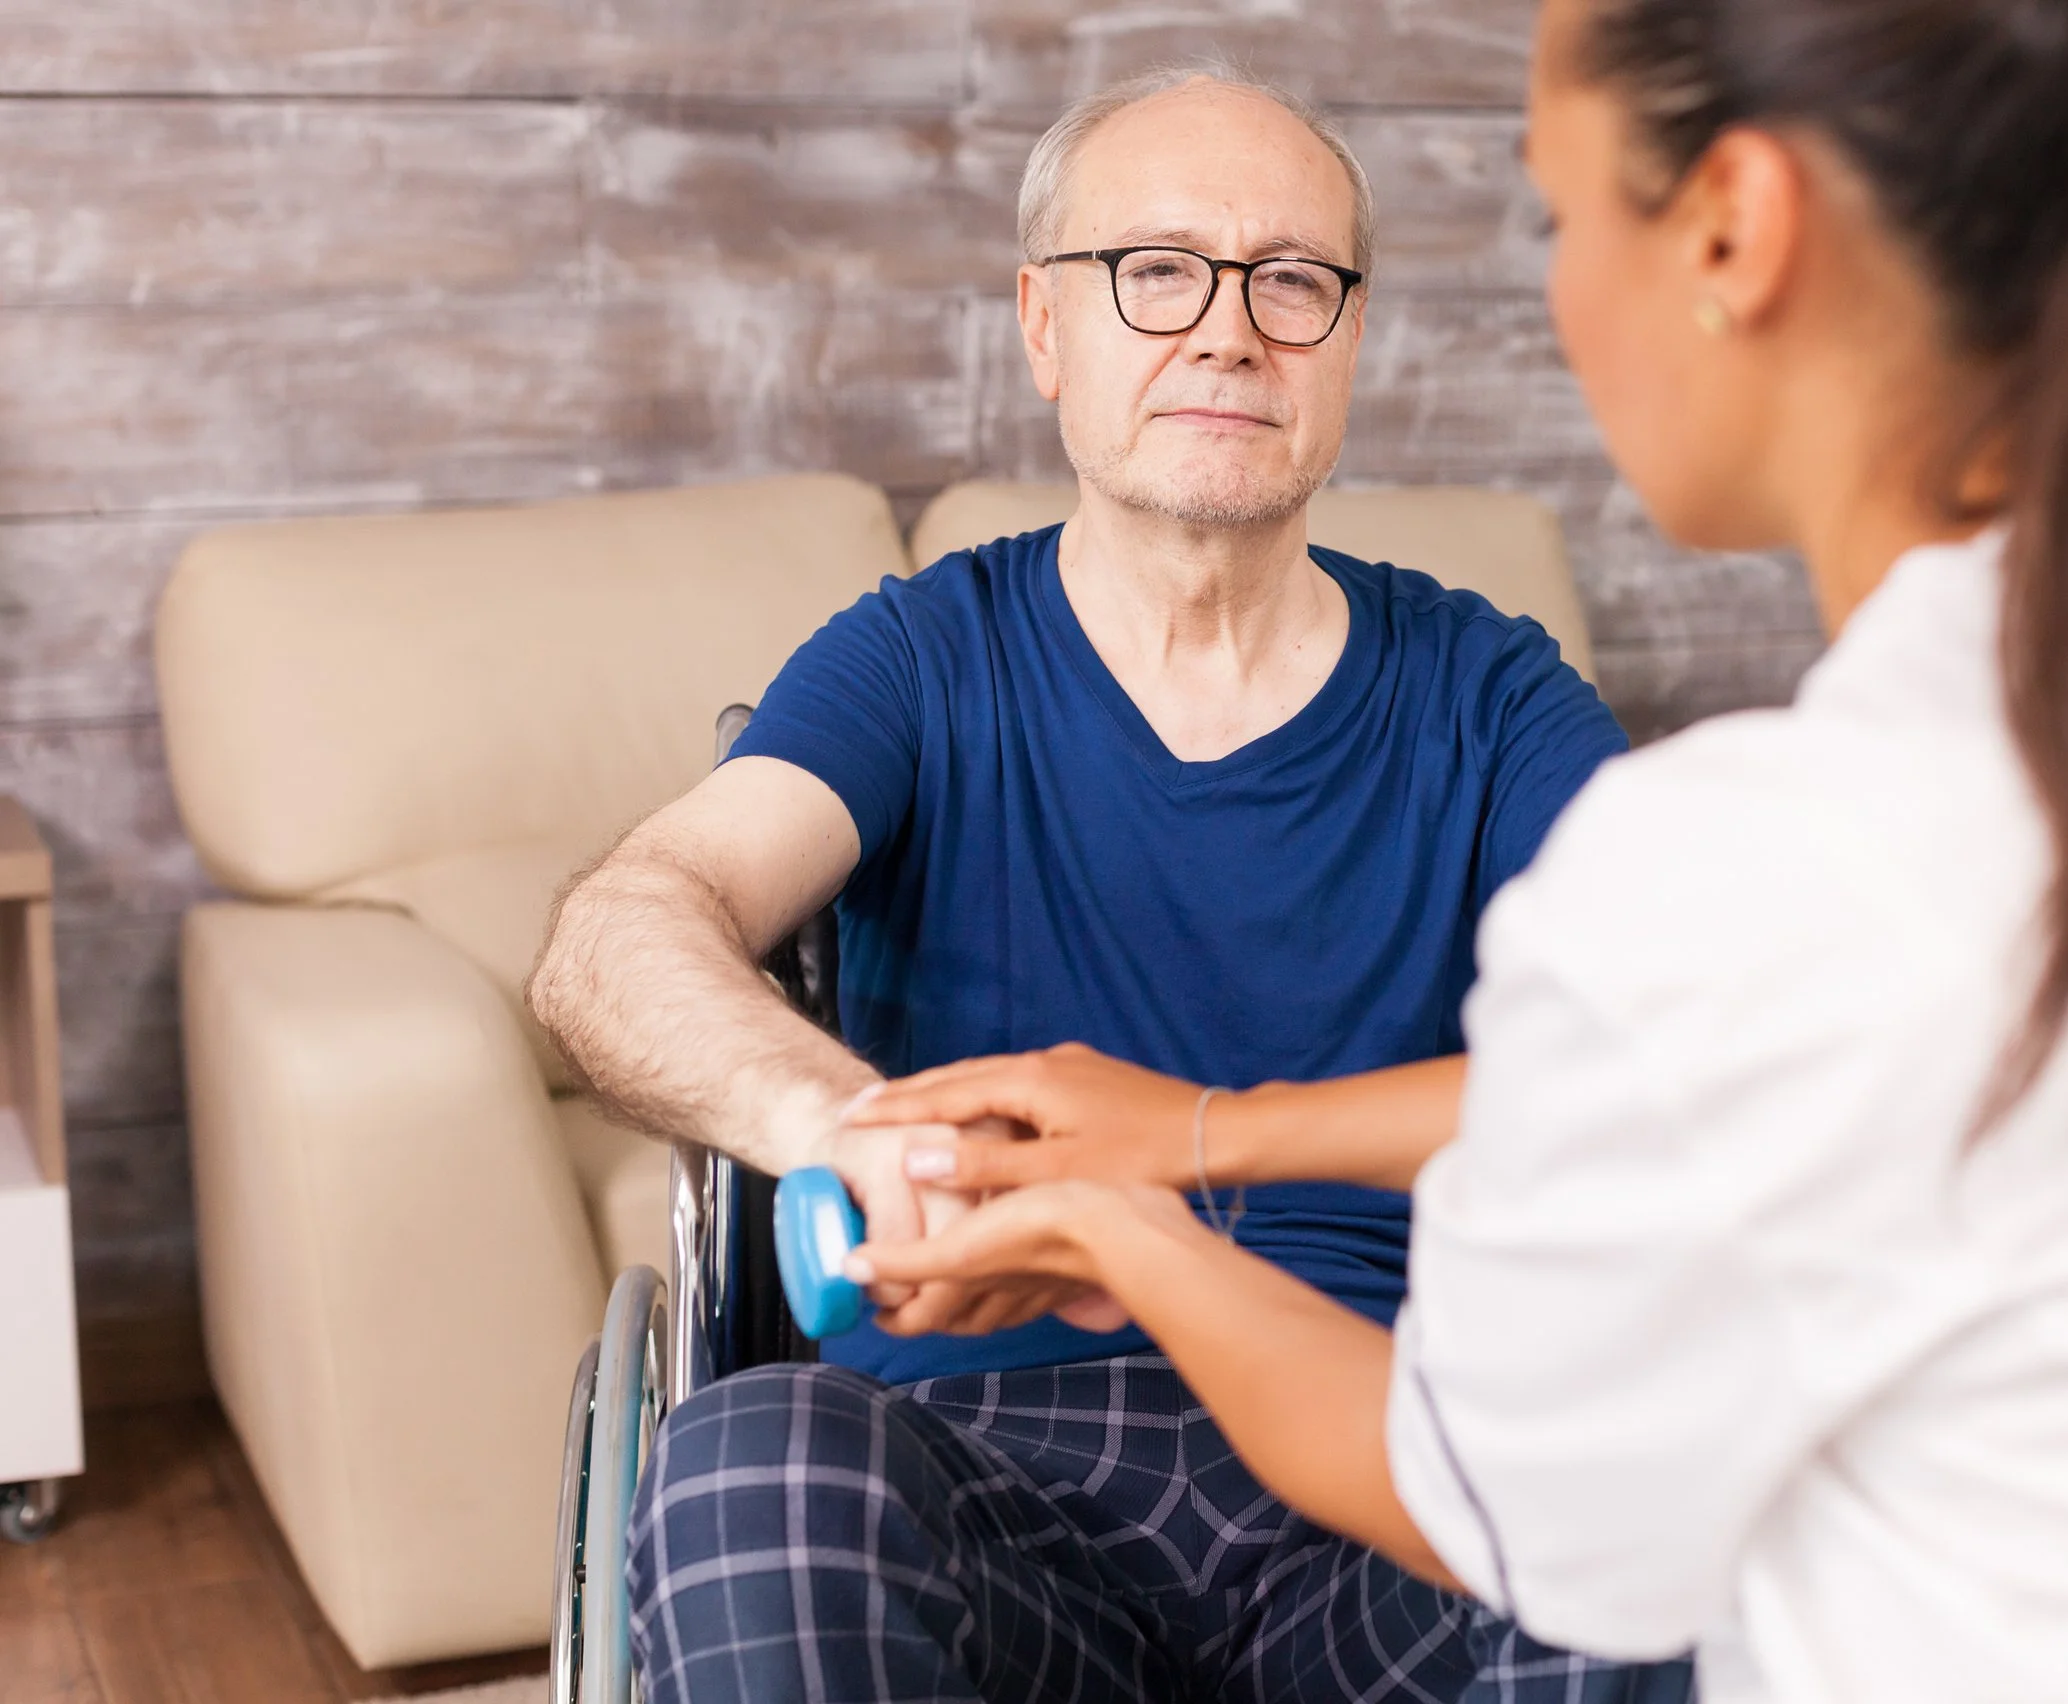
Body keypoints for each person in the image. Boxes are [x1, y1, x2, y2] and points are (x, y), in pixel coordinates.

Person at [846, 1, 2068, 1699]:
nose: (1237, 335)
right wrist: (1216, 1131)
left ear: (1732, 228)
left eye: (1564, 216)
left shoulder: (1751, 862)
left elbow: (1480, 1498)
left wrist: (1132, 1224)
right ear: (1048, 324)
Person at [523, 59, 1680, 1704]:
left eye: (1291, 281)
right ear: (1046, 327)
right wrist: (839, 1126)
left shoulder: (1493, 697)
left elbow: (1695, 1062)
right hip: (987, 1473)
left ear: (1350, 341)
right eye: (1156, 272)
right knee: (745, 1464)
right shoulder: (923, 659)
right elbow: (621, 934)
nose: (1228, 331)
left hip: (1386, 1452)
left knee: (1659, 1523)